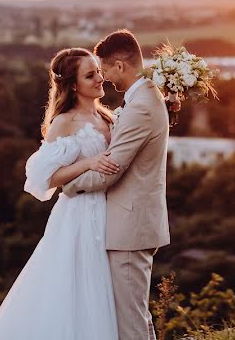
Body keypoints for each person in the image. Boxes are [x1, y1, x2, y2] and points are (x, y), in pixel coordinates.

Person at [0, 47, 121, 340]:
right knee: (78, 291)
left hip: (110, 211)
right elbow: (42, 179)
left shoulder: (106, 117)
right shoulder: (64, 122)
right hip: (79, 216)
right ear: (72, 85)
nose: (100, 79)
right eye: (90, 75)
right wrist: (87, 162)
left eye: (98, 71)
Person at [62, 29, 171, 340]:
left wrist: (68, 184)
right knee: (136, 316)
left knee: (129, 323)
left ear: (120, 66)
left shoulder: (140, 106)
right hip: (135, 223)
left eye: (105, 69)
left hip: (129, 227)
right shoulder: (147, 95)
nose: (104, 78)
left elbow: (110, 171)